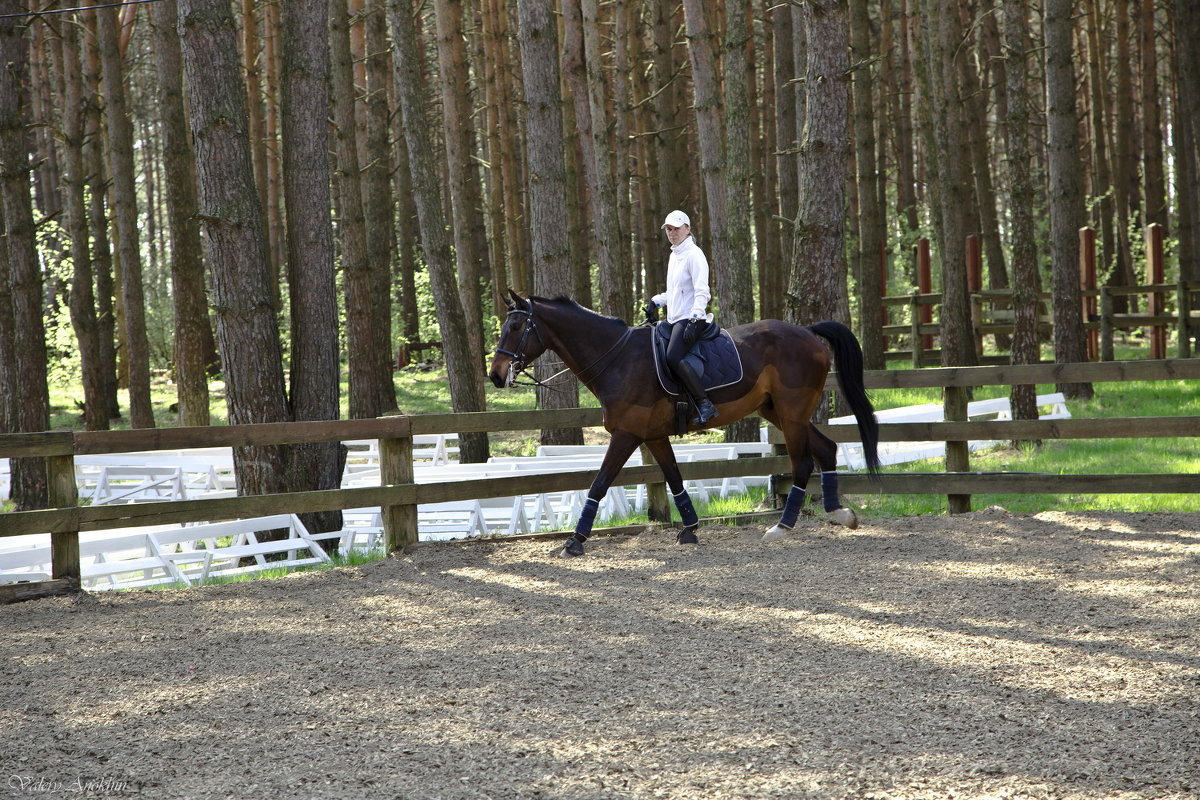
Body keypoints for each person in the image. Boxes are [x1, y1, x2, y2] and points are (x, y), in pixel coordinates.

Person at [645, 210, 718, 425]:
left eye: (676, 228)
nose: (672, 233)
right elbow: (675, 292)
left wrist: (695, 319)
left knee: (673, 357)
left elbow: (702, 291)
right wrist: (655, 301)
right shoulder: (674, 255)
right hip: (674, 318)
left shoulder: (695, 255)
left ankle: (705, 403)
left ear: (688, 229)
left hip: (690, 318)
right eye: (668, 229)